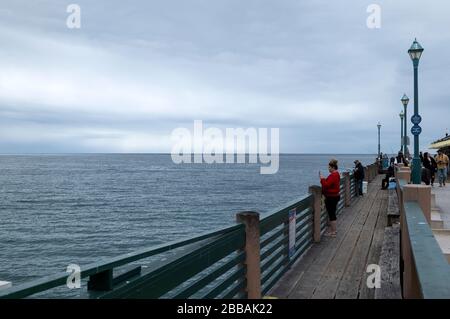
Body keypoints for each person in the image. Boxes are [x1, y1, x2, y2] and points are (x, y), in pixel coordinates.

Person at [320, 159, 341, 238]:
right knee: (332, 214)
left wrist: (322, 178)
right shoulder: (337, 174)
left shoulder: (333, 175)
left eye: (329, 167)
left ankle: (333, 232)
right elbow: (330, 184)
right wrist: (325, 180)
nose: (328, 169)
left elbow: (326, 185)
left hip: (331, 197)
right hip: (335, 196)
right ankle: (333, 231)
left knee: (332, 215)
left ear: (333, 167)